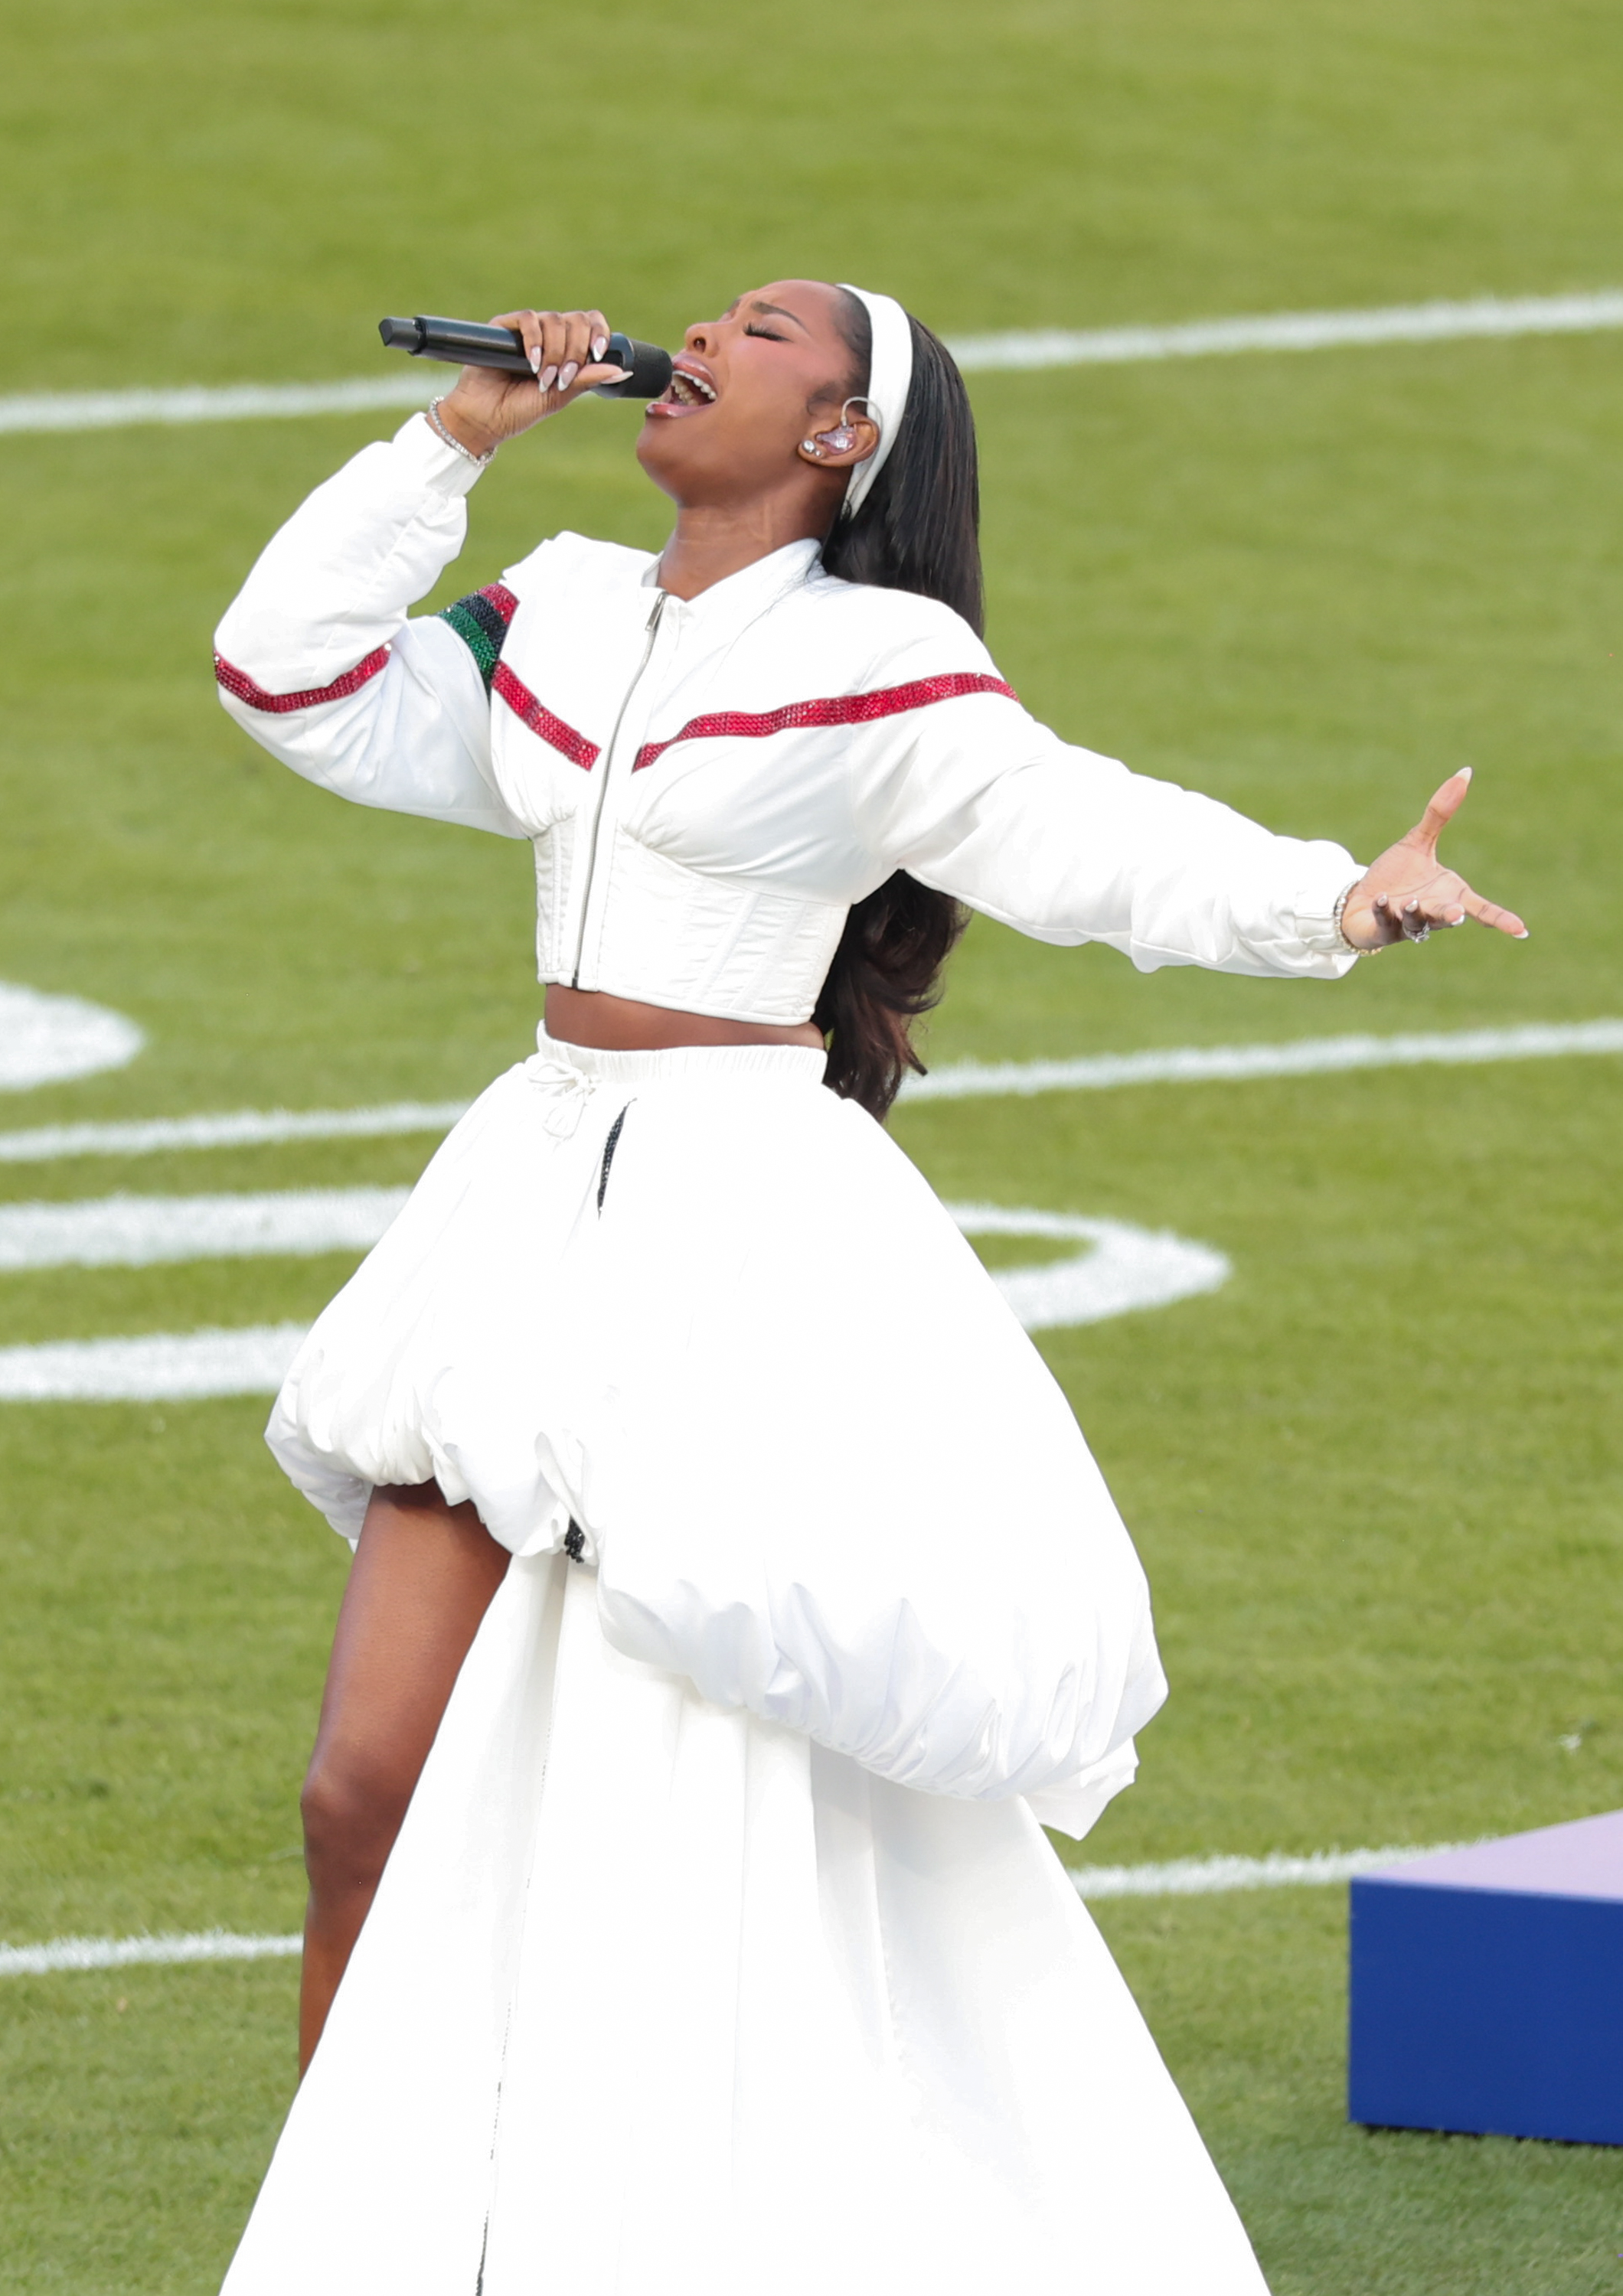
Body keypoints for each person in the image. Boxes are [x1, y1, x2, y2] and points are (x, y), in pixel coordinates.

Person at [211, 282, 1524, 2295]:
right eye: (709, 314)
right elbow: (282, 679)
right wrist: (450, 445)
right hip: (528, 1203)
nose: (699, 338)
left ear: (838, 438)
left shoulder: (884, 664)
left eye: (760, 331)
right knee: (354, 1790)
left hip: (733, 1238)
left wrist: (1320, 899)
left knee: (710, 1820)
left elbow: (1074, 835)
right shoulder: (559, 605)